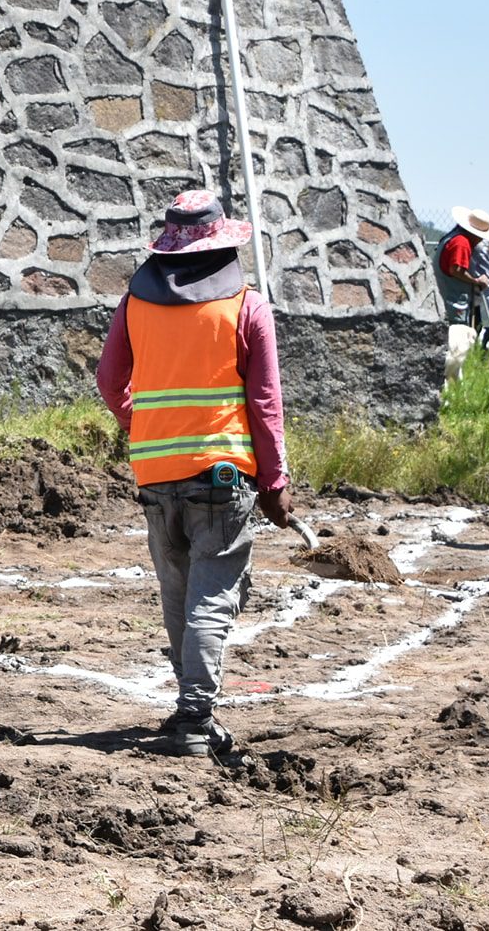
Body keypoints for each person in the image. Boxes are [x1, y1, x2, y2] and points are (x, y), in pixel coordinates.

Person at [96, 189, 294, 758]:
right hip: (224, 474)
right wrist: (276, 483)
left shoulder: (135, 303)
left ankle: (189, 708)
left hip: (155, 473)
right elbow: (265, 402)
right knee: (213, 593)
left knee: (179, 592)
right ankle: (193, 719)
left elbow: (112, 384)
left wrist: (145, 425)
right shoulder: (247, 307)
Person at [437, 206, 489, 336]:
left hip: (447, 297)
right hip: (454, 302)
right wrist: (476, 281)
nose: (481, 240)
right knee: (459, 339)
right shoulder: (462, 243)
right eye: (481, 236)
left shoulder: (453, 237)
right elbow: (456, 270)